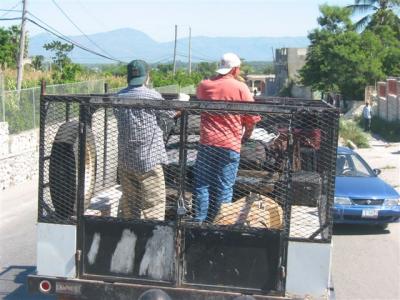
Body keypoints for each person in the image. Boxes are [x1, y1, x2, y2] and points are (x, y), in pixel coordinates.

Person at [193, 52, 261, 222]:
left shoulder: (204, 85)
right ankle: (220, 224)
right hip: (230, 144)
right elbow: (251, 119)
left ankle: (199, 222)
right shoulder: (241, 88)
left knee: (202, 185)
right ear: (235, 69)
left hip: (207, 142)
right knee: (224, 187)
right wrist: (245, 136)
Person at [114, 60, 175, 220]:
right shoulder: (152, 95)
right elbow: (170, 115)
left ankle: (130, 237)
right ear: (147, 77)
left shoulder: (118, 96)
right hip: (149, 160)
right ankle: (150, 241)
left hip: (126, 160)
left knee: (130, 206)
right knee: (153, 206)